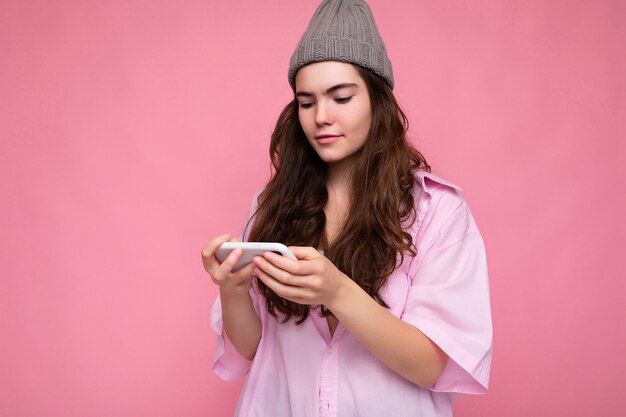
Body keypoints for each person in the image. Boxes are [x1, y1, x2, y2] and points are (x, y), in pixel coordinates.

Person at [201, 1, 492, 416]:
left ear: (377, 99)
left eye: (341, 97)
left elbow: (432, 365)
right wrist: (232, 291)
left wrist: (337, 291)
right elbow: (250, 350)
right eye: (306, 102)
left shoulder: (436, 212)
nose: (321, 116)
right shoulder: (273, 204)